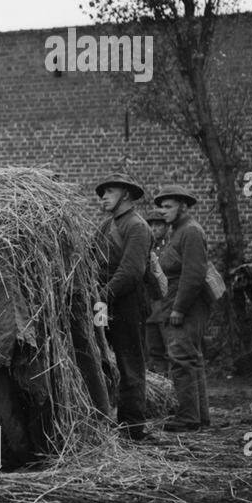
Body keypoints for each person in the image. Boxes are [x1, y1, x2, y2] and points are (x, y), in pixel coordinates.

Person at [147, 186, 213, 431]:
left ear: (183, 207)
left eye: (168, 207)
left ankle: (187, 417)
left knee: (181, 358)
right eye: (162, 207)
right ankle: (199, 417)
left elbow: (194, 274)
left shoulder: (191, 231)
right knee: (191, 358)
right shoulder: (178, 231)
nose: (163, 212)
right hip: (177, 302)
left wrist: (179, 309)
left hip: (187, 305)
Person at [93, 173, 152, 441]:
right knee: (102, 359)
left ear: (126, 194)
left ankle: (132, 428)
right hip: (104, 303)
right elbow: (91, 260)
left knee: (130, 364)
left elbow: (131, 271)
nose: (103, 196)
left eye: (110, 191)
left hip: (127, 303)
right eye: (102, 192)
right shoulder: (106, 226)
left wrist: (102, 296)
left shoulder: (137, 227)